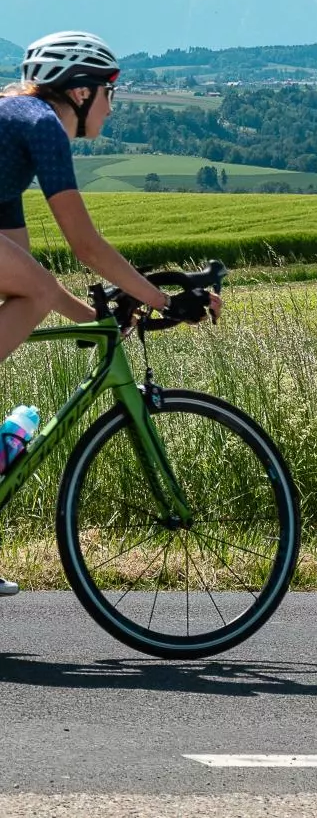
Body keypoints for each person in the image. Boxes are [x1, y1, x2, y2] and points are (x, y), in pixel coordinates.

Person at [0, 31, 219, 596]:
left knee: (31, 293)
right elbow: (86, 246)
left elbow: (25, 279)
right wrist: (164, 300)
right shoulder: (41, 125)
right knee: (36, 292)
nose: (111, 106)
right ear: (79, 92)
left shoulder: (14, 130)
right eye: (109, 93)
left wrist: (96, 315)